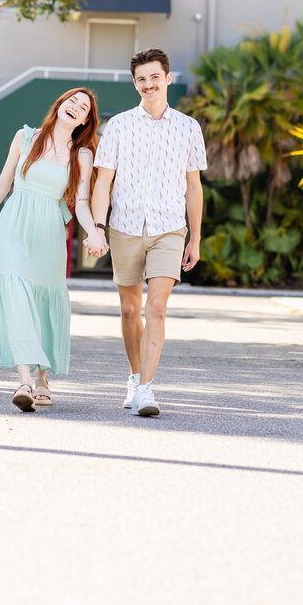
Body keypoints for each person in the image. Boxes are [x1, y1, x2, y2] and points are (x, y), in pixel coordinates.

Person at [0, 88, 107, 412]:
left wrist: (95, 232)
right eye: (71, 101)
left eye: (83, 107)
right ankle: (25, 381)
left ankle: (44, 377)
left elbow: (83, 203)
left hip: (48, 232)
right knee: (15, 295)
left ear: (86, 120)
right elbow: (3, 183)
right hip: (13, 226)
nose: (75, 107)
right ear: (59, 104)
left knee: (45, 300)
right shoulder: (25, 137)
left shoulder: (82, 155)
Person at [86, 49, 206, 418]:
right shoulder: (119, 125)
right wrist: (99, 227)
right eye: (141, 79)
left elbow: (194, 186)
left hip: (169, 228)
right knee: (128, 309)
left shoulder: (188, 128)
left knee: (156, 307)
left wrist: (195, 238)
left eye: (155, 77)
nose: (149, 84)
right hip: (125, 227)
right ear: (135, 83)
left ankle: (147, 390)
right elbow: (103, 181)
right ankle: (134, 375)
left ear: (168, 78)